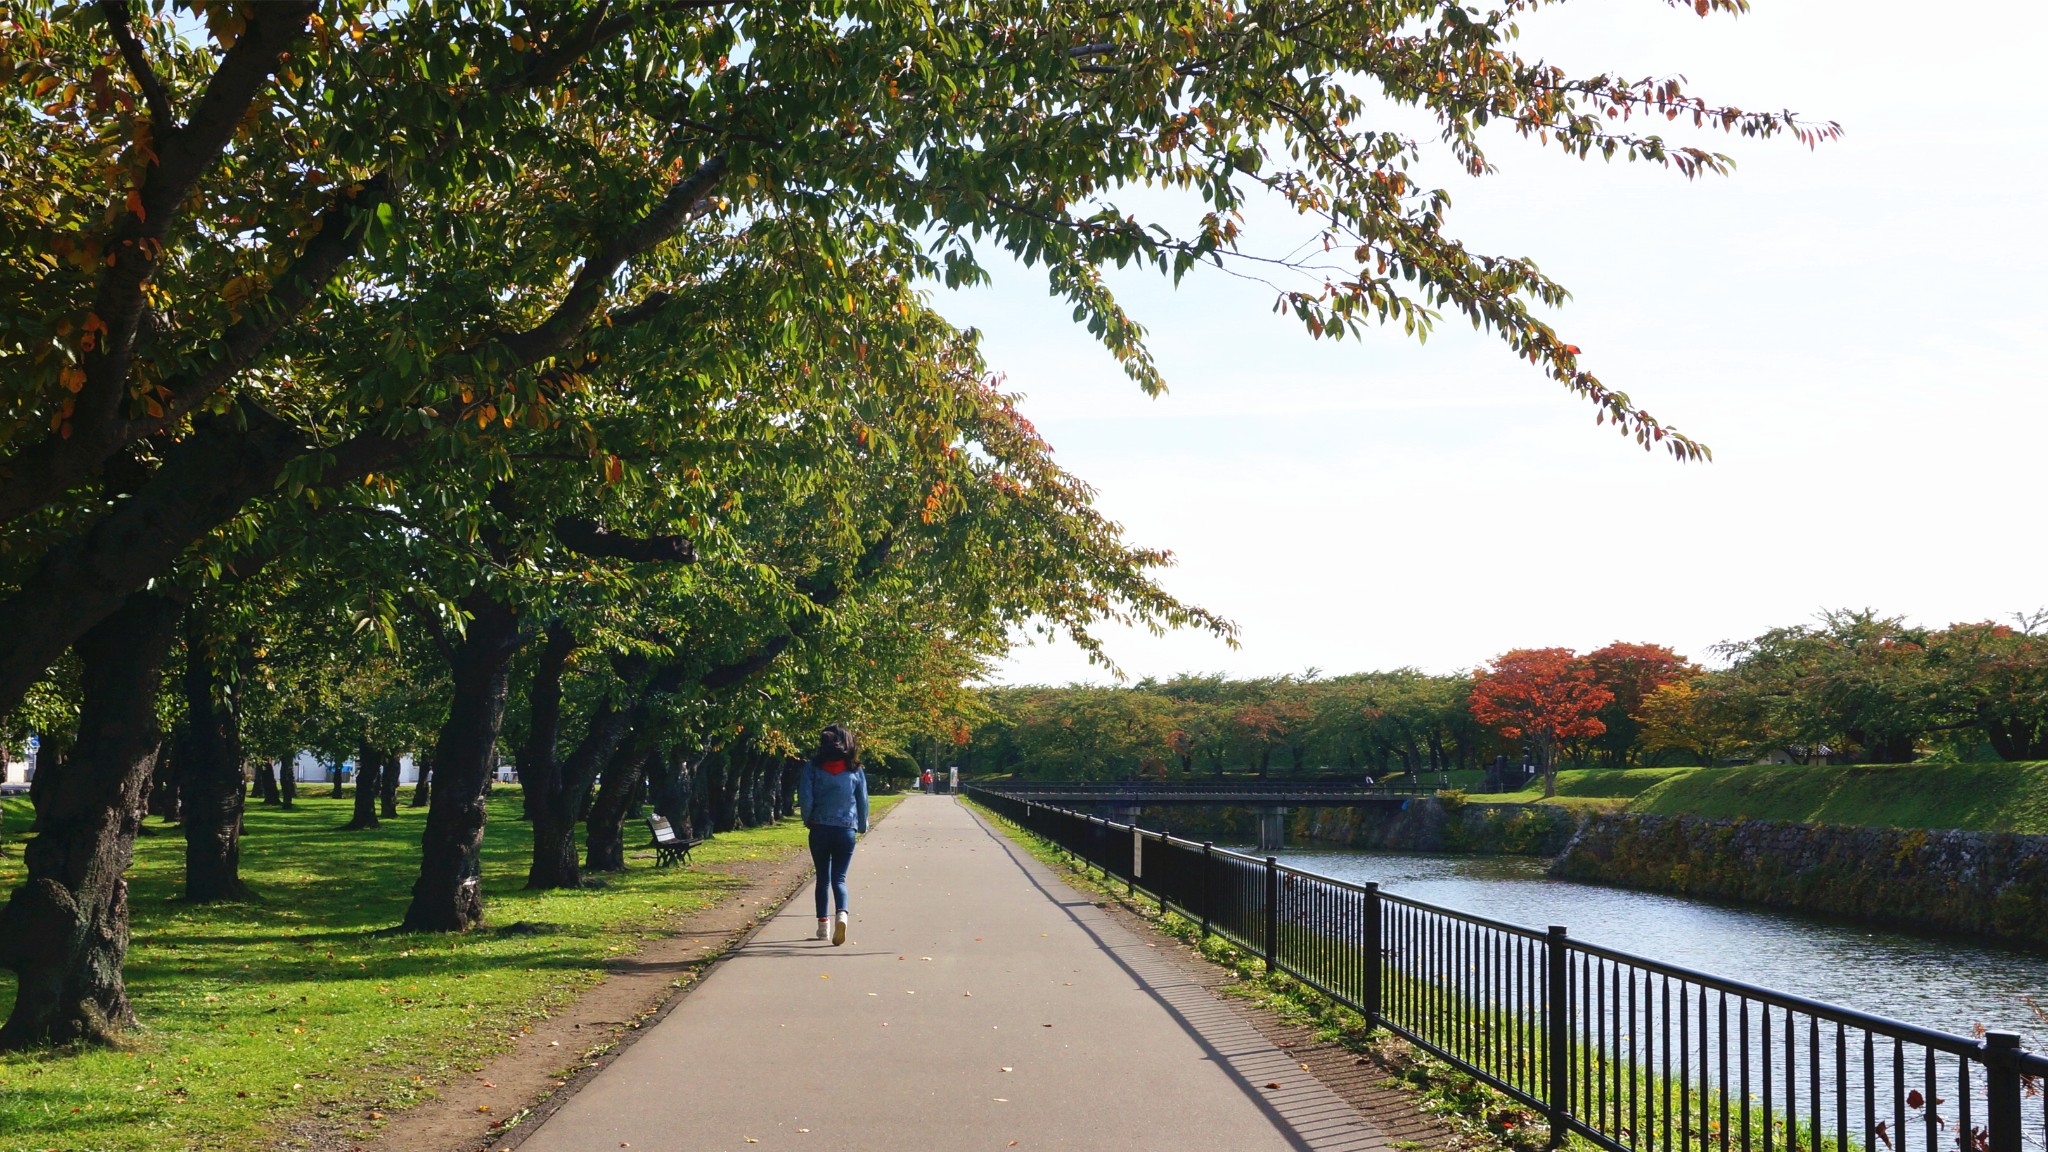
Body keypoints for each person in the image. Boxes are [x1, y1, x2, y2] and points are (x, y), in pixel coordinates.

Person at [797, 724, 869, 945]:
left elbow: (805, 797)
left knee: (822, 878)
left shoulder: (813, 767)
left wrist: (808, 819)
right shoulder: (855, 770)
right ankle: (842, 915)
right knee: (839, 878)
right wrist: (862, 825)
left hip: (819, 828)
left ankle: (823, 927)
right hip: (846, 829)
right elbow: (863, 800)